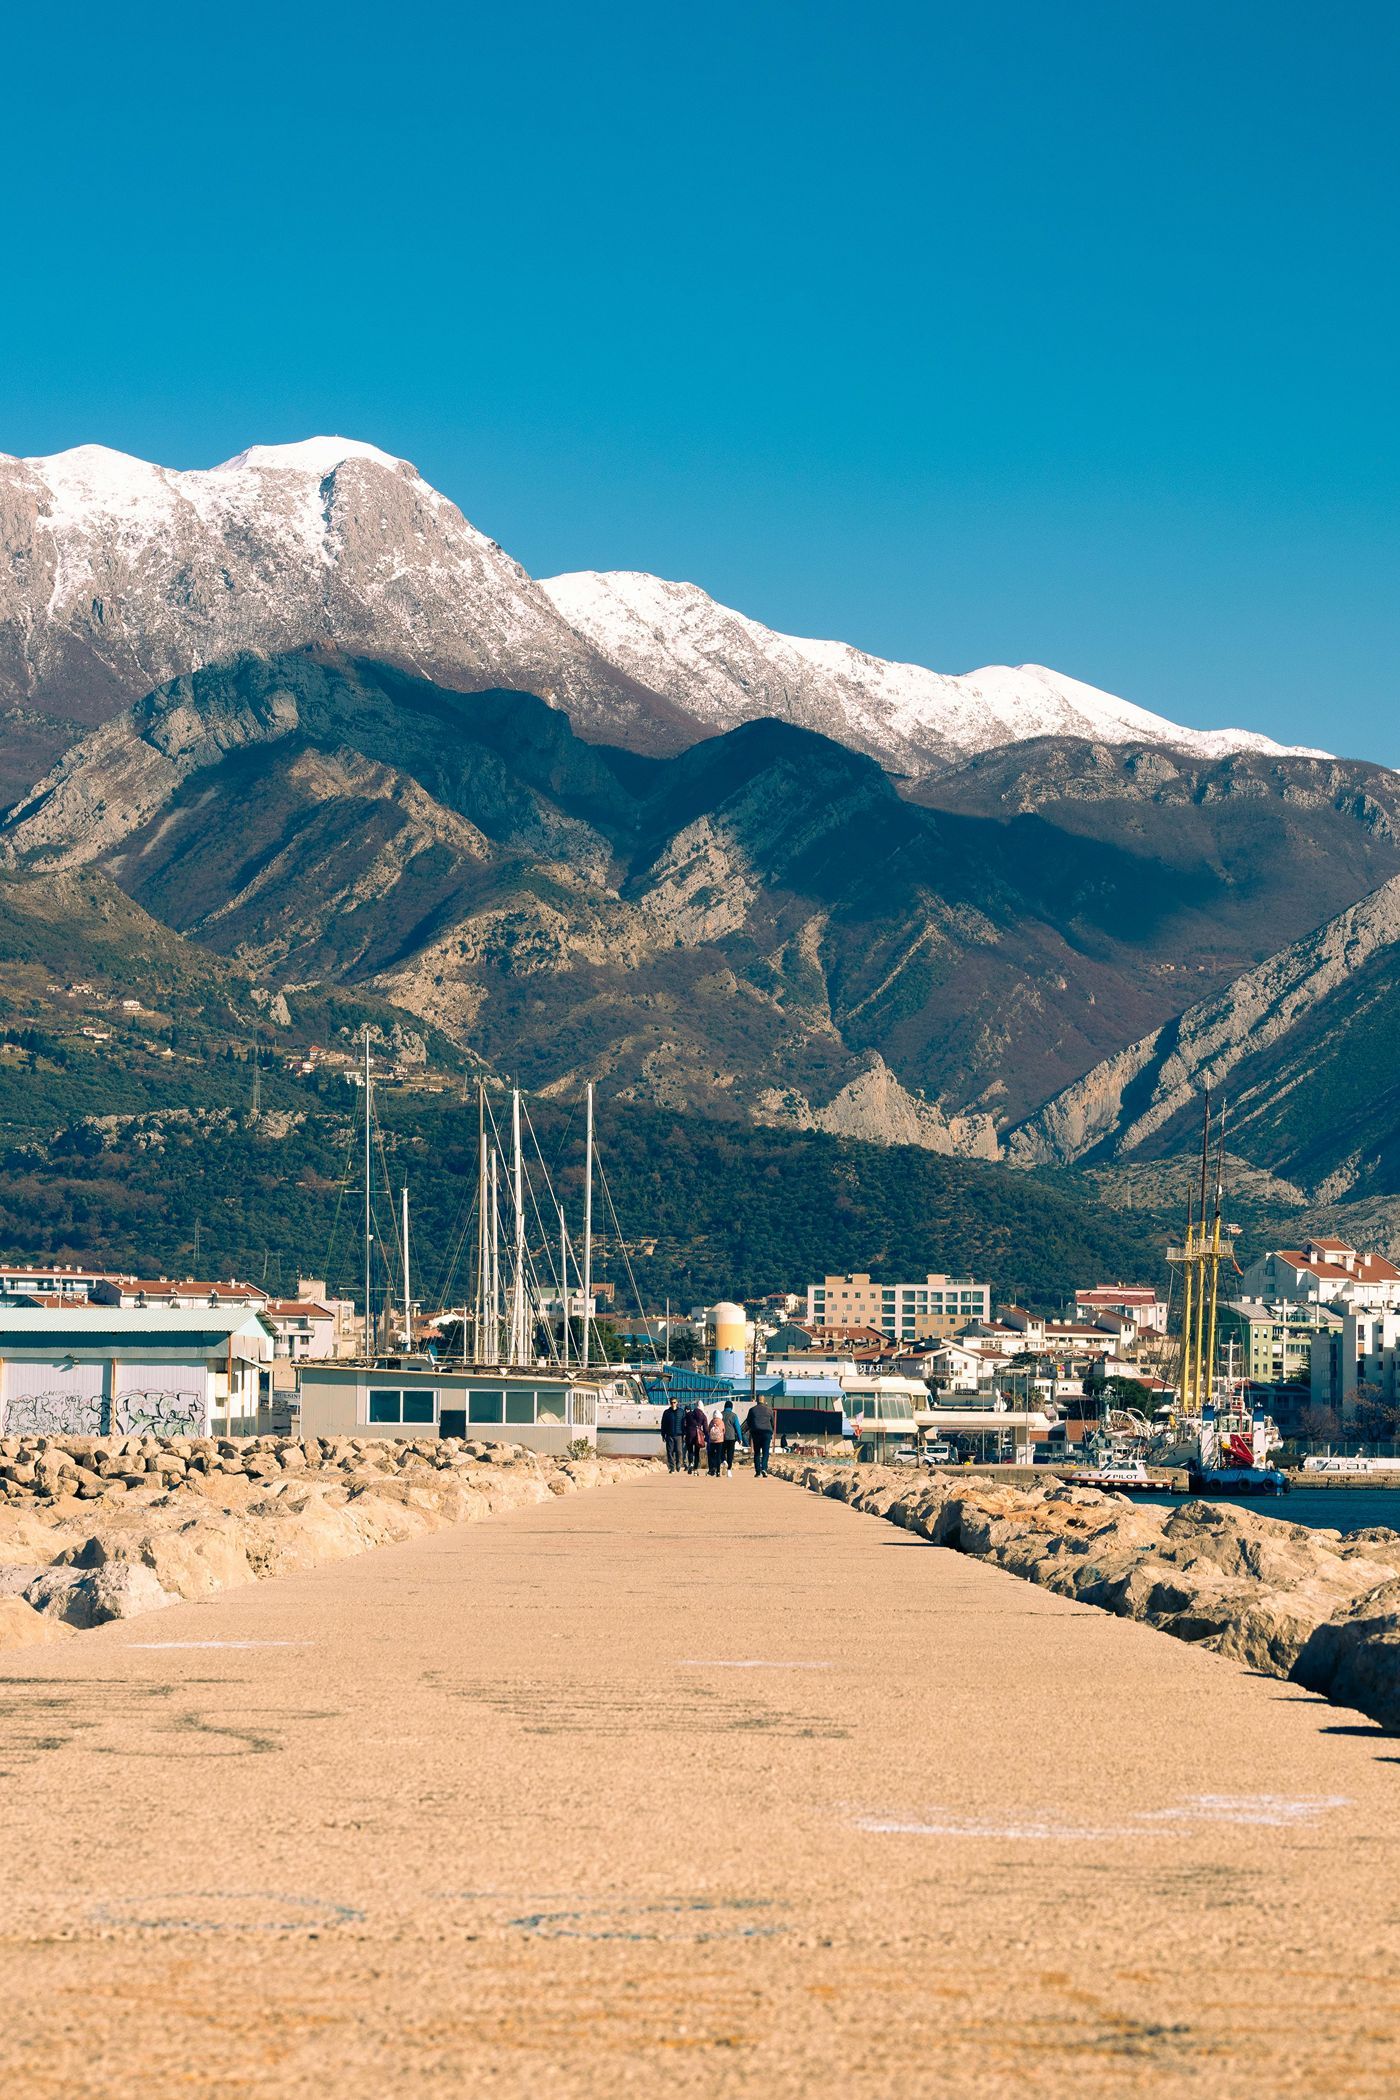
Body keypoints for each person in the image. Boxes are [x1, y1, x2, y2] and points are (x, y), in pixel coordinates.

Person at [745, 1396, 774, 1476]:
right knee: (765, 1452)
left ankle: (758, 1472)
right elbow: (772, 1423)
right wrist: (772, 1432)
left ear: (757, 1401)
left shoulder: (752, 1410)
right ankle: (764, 1468)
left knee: (757, 1452)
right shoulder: (769, 1410)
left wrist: (752, 1429)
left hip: (756, 1432)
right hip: (767, 1433)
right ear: (764, 1401)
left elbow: (748, 1422)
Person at [660, 1398, 683, 1472]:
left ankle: (678, 1464)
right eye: (671, 1402)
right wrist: (663, 1435)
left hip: (679, 1435)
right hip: (669, 1435)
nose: (673, 1404)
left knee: (679, 1451)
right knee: (670, 1451)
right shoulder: (666, 1412)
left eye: (674, 1402)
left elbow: (684, 1423)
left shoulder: (681, 1412)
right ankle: (672, 1467)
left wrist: (685, 1434)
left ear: (677, 1403)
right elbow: (663, 1424)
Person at [682, 1402, 705, 1474]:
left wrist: (684, 1432)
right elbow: (705, 1427)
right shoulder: (703, 1415)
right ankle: (695, 1469)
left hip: (689, 1435)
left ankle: (691, 1463)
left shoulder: (688, 1414)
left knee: (690, 1451)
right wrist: (706, 1435)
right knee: (697, 1452)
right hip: (698, 1436)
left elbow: (683, 1424)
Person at [721, 1399, 741, 1474]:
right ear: (731, 1407)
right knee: (730, 1453)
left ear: (725, 1406)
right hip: (731, 1437)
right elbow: (737, 1428)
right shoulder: (734, 1415)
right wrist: (740, 1438)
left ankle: (723, 1460)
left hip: (722, 1437)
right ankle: (729, 1470)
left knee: (722, 1452)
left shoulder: (720, 1414)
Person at [707, 1408, 727, 1476]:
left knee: (712, 1455)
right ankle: (718, 1472)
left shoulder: (712, 1421)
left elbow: (708, 1430)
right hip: (720, 1441)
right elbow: (724, 1431)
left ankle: (712, 1469)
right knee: (718, 1456)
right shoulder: (721, 1422)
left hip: (712, 1441)